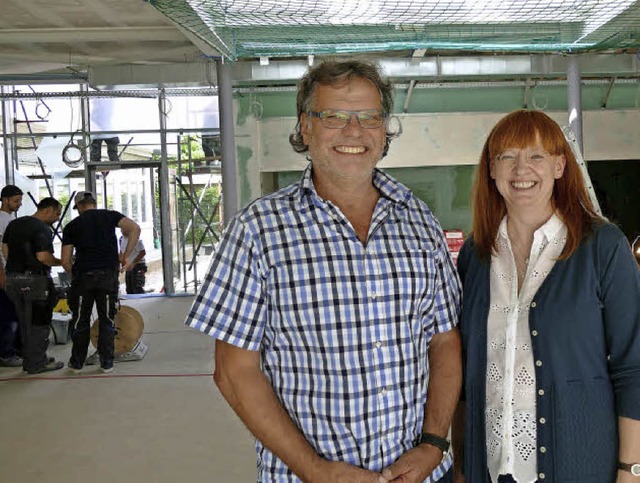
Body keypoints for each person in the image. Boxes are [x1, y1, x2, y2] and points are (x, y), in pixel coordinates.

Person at [185, 60, 462, 482]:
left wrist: (433, 444)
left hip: (421, 473)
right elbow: (234, 371)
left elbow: (443, 340)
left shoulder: (418, 218)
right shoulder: (258, 231)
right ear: (306, 126)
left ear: (384, 128)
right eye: (334, 116)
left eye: (370, 117)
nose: (354, 131)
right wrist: (314, 469)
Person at [453, 110, 640, 483]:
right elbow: (466, 376)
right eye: (507, 156)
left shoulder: (602, 247)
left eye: (536, 156)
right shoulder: (474, 255)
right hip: (488, 469)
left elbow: (633, 367)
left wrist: (631, 470)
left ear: (559, 166)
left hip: (580, 467)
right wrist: (461, 467)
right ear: (492, 169)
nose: (521, 169)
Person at [61, 191, 141, 374]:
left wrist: (76, 274)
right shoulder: (110, 216)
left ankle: (77, 363)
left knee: (81, 319)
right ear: (93, 203)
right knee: (106, 318)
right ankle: (106, 363)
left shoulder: (72, 226)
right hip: (107, 276)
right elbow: (134, 228)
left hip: (83, 278)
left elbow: (65, 260)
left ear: (80, 206)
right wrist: (125, 256)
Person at [2, 197, 64, 374]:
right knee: (39, 322)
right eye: (57, 214)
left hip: (13, 280)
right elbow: (43, 257)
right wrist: (62, 262)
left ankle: (31, 359)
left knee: (23, 322)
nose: (57, 218)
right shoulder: (41, 228)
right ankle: (37, 363)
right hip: (35, 281)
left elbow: (4, 249)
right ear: (48, 210)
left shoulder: (14, 224)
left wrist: (15, 268)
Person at [0, 185, 24, 367]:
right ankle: (6, 353)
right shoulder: (1, 220)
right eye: (16, 201)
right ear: (5, 200)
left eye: (20, 201)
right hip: (4, 273)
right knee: (8, 315)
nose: (19, 204)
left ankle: (15, 349)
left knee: (15, 313)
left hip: (12, 272)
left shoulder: (11, 219)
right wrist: (2, 273)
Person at [119, 226, 147, 294]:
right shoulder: (122, 239)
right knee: (129, 288)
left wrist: (133, 263)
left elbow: (142, 252)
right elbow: (122, 253)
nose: (122, 230)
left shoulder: (135, 239)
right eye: (122, 229)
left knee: (137, 288)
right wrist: (122, 264)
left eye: (124, 229)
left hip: (138, 265)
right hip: (129, 266)